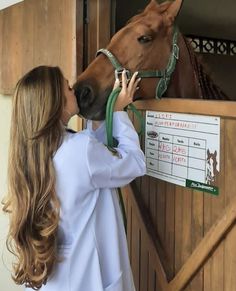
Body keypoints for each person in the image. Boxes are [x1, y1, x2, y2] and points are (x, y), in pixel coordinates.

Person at [2, 65, 146, 291]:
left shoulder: (32, 158)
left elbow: (90, 159)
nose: (75, 90)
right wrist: (118, 112)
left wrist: (106, 111)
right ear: (55, 103)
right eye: (68, 87)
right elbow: (135, 163)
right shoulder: (80, 150)